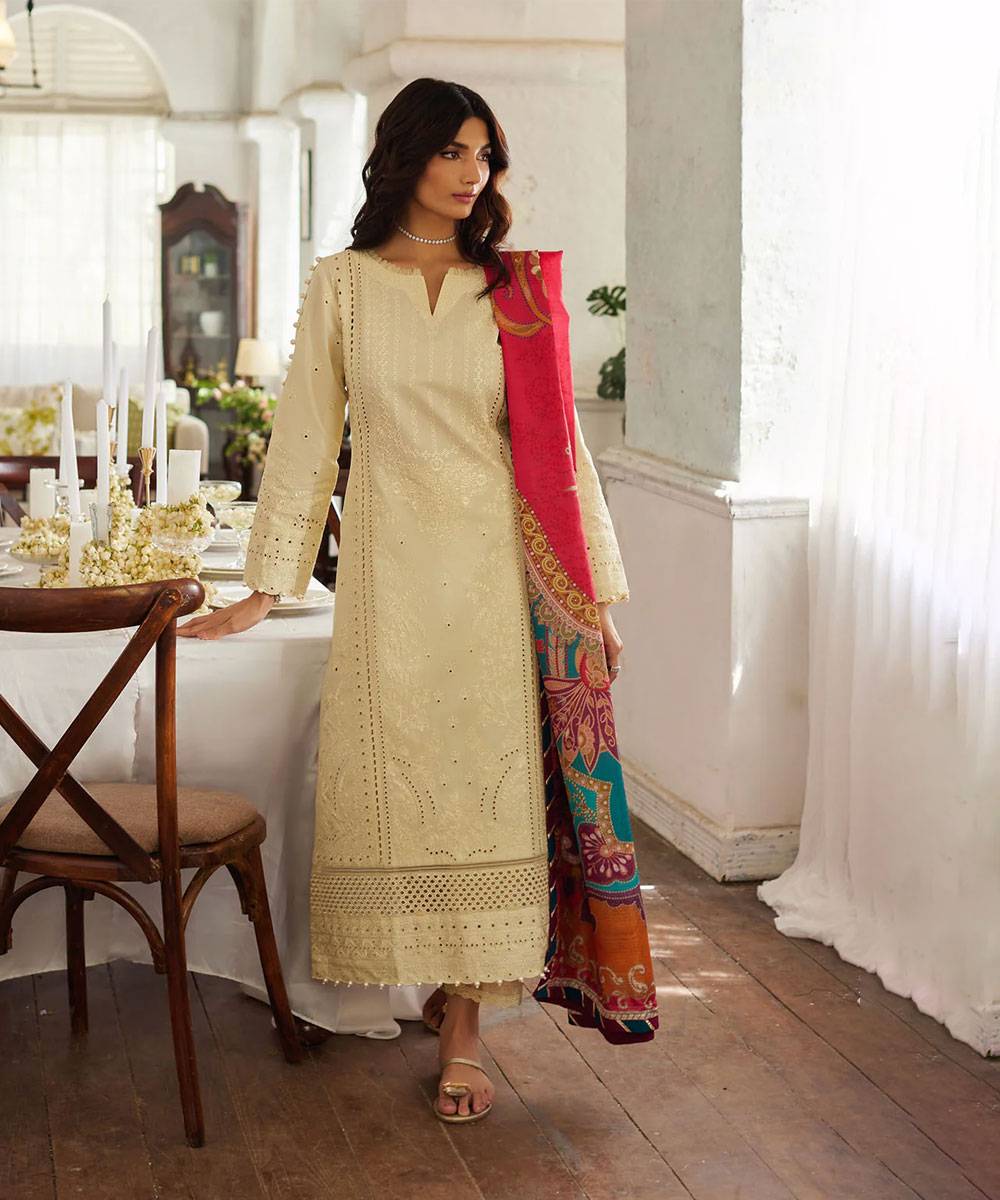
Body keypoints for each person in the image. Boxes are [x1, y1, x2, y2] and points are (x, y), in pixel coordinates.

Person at [179, 77, 633, 1123]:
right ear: (406, 155)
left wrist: (594, 599)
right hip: (387, 582)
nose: (475, 172)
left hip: (495, 580)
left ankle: (465, 1025)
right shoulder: (342, 287)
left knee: (488, 796)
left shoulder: (512, 291)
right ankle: (425, 974)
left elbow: (560, 452)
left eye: (486, 154)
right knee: (400, 783)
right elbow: (305, 438)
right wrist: (263, 588)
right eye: (454, 151)